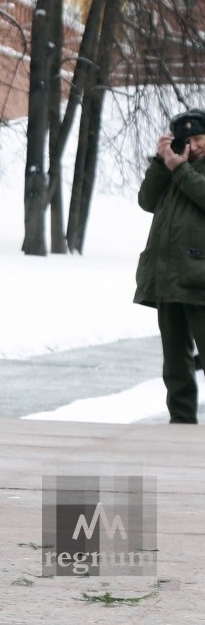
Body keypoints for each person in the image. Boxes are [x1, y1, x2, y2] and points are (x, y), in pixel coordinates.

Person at [134, 108, 205, 423]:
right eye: (187, 140)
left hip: (201, 280)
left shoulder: (187, 172)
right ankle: (181, 419)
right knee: (175, 359)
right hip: (169, 278)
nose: (194, 146)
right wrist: (161, 162)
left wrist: (180, 170)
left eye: (200, 138)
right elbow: (147, 201)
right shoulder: (175, 168)